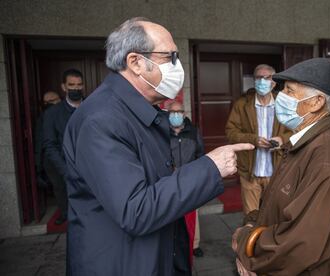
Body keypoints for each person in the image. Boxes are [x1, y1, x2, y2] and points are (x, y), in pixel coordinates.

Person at [63, 17, 254, 276]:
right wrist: (210, 167)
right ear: (136, 62)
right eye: (170, 57)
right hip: (121, 263)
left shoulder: (137, 111)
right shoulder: (102, 119)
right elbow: (136, 210)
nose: (178, 67)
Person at [232, 58, 330, 275]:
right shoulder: (303, 141)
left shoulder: (323, 153)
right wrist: (250, 225)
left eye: (290, 91)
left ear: (316, 102)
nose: (281, 96)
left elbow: (301, 242)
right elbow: (275, 207)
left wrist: (246, 246)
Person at [225, 64, 291, 215]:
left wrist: (282, 139)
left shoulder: (284, 104)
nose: (262, 81)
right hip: (250, 172)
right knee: (251, 217)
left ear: (273, 82)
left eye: (266, 77)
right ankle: (252, 239)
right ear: (254, 81)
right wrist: (253, 139)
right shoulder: (242, 105)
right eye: (258, 77)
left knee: (274, 216)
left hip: (276, 171)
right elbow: (231, 132)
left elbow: (296, 131)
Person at [42, 69, 84, 225]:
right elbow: (49, 145)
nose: (76, 88)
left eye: (79, 85)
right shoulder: (53, 113)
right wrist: (66, 172)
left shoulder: (93, 105)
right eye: (71, 85)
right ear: (64, 87)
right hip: (67, 171)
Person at [168, 101, 205, 260]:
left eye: (179, 111)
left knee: (192, 213)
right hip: (169, 180)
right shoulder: (163, 132)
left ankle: (194, 244)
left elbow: (200, 155)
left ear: (184, 114)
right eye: (172, 112)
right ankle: (172, 243)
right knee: (170, 212)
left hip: (189, 179)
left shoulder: (193, 132)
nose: (176, 115)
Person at [34, 91, 61, 189]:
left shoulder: (65, 113)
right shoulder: (43, 118)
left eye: (51, 101)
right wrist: (38, 165)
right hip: (52, 159)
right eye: (45, 102)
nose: (60, 101)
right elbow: (39, 141)